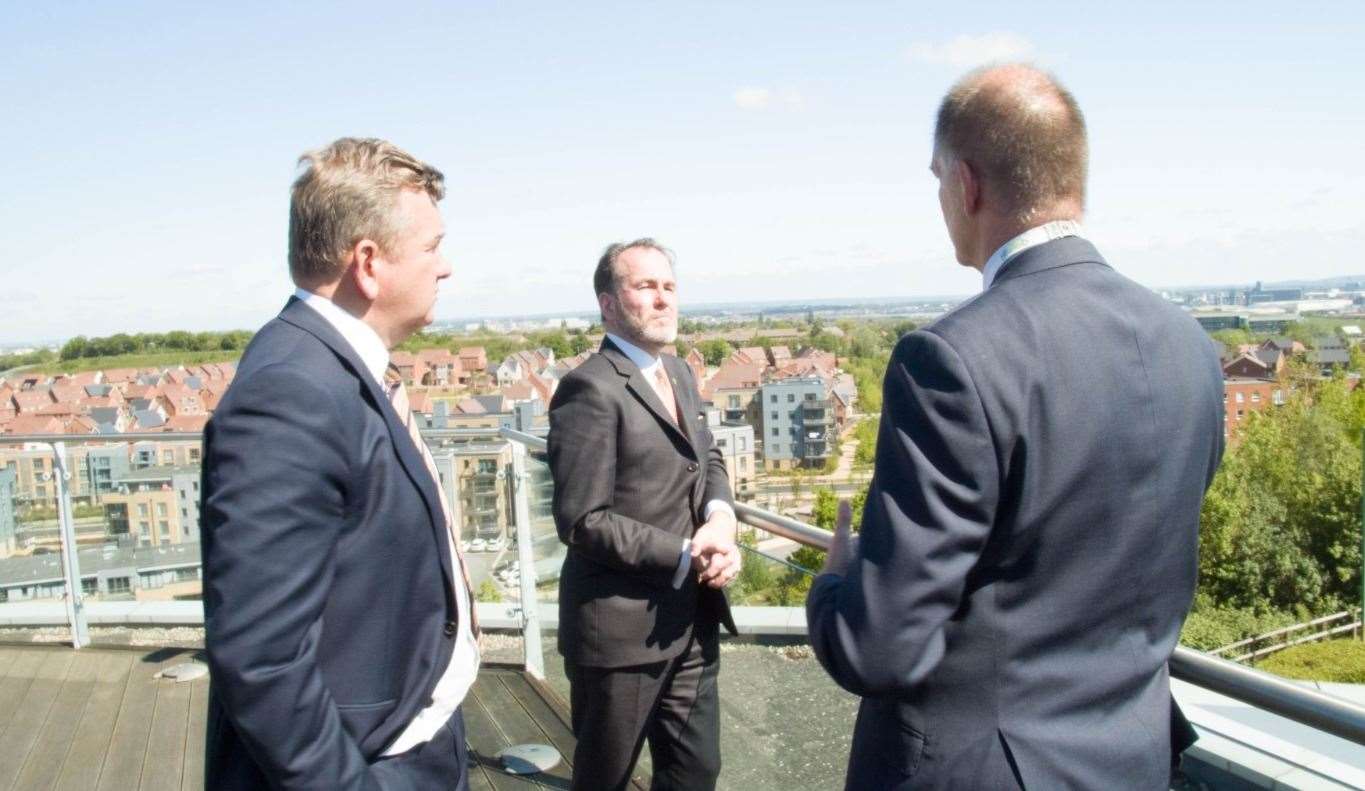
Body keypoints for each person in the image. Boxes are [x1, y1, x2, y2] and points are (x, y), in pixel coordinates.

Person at [805, 64, 1224, 790]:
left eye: (936, 179)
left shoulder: (950, 358)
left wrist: (835, 581)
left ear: (966, 183)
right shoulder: (1188, 344)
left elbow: (878, 647)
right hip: (1135, 760)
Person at [202, 137, 479, 790]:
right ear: (367, 264)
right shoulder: (291, 391)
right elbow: (261, 658)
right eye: (432, 246)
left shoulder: (328, 366)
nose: (446, 266)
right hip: (366, 762)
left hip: (405, 734)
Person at [547, 239, 742, 791]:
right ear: (609, 305)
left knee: (695, 772)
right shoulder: (588, 388)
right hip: (619, 633)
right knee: (605, 778)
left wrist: (722, 519)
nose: (663, 300)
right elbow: (582, 519)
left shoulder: (677, 371)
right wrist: (686, 552)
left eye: (670, 286)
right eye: (646, 287)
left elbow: (707, 457)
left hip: (692, 620)